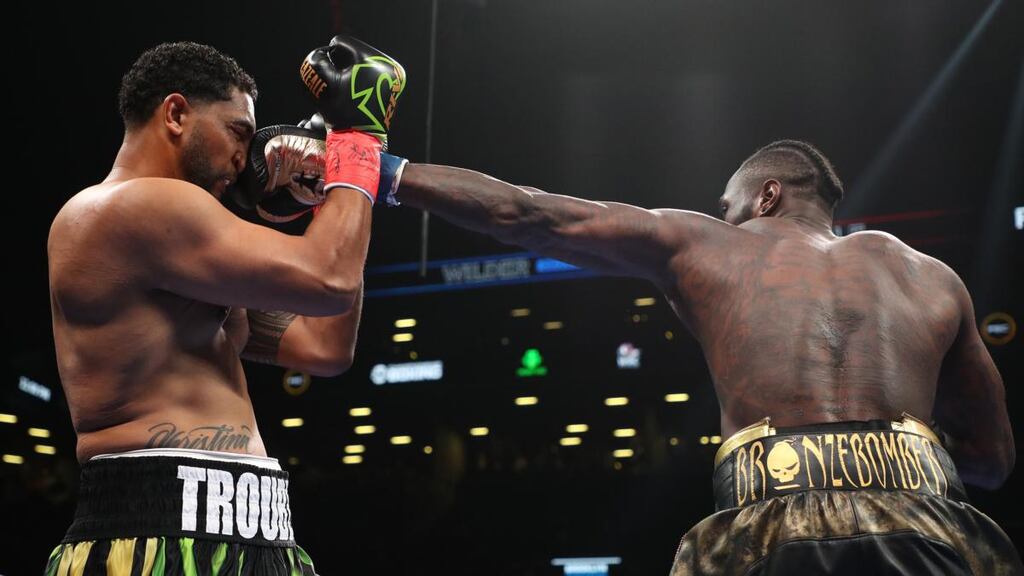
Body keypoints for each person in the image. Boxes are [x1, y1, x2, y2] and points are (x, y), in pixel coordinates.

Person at [375, 140, 1021, 574]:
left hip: (769, 524)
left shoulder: (707, 243)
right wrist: (895, 451)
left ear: (766, 197)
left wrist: (385, 172)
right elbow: (993, 461)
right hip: (927, 521)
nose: (724, 221)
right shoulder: (933, 278)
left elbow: (529, 214)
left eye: (729, 209)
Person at [45, 38, 404, 575]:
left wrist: (328, 198)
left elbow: (325, 346)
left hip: (258, 531)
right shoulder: (128, 207)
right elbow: (328, 279)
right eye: (238, 132)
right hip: (153, 532)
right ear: (175, 114)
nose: (244, 160)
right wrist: (354, 144)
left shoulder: (185, 261)